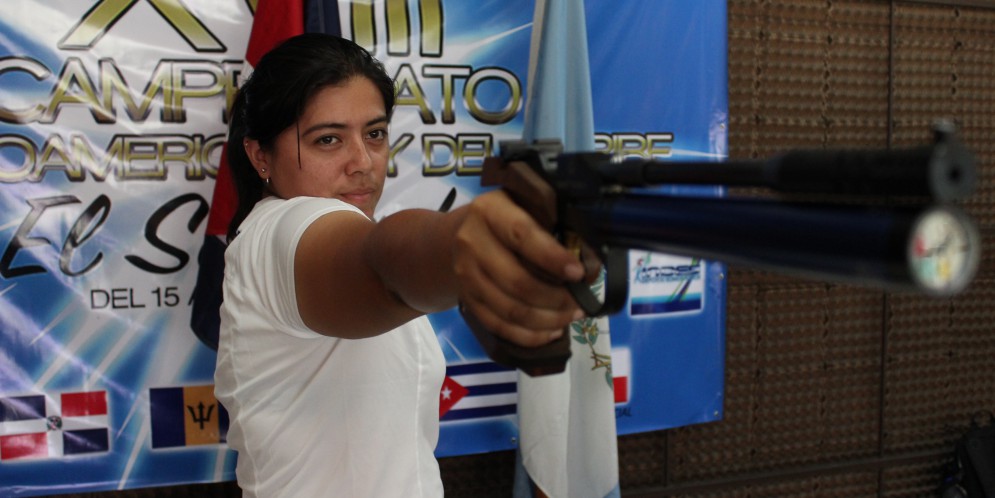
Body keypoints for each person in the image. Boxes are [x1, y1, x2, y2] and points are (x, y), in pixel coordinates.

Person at [213, 33, 593, 497]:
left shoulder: (331, 225)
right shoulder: (278, 233)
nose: (363, 162)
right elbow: (382, 265)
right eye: (328, 140)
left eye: (374, 134)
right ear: (260, 156)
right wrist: (467, 244)